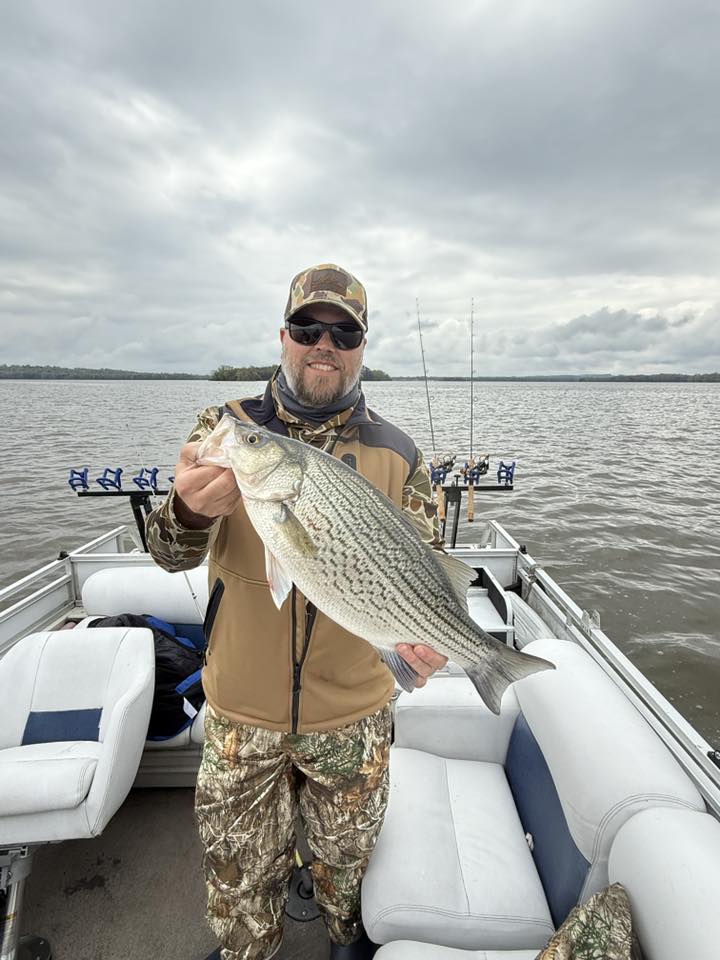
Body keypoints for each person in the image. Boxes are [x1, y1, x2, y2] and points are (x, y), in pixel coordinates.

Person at [146, 264, 448, 960]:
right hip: (240, 715)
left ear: (362, 347)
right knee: (239, 880)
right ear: (283, 336)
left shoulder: (401, 455)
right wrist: (188, 511)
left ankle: (345, 939)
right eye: (309, 327)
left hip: (354, 717)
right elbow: (167, 554)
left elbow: (424, 574)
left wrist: (424, 641)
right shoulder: (227, 429)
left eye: (344, 332)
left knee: (349, 872)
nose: (325, 343)